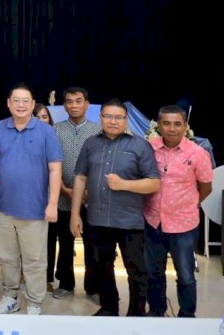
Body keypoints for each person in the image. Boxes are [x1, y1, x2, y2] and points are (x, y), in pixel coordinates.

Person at [70, 99, 160, 317]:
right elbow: (80, 178)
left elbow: (154, 183)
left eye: (118, 117)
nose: (112, 121)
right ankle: (109, 308)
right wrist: (74, 214)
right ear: (100, 118)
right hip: (97, 219)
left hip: (130, 221)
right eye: (107, 116)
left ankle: (136, 312)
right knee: (102, 267)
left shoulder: (140, 145)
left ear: (125, 119)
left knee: (136, 270)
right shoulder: (91, 143)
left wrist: (125, 184)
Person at [0, 83, 62, 316]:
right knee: (7, 258)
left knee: (34, 260)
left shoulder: (46, 132)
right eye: (16, 100)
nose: (21, 105)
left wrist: (52, 203)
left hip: (35, 209)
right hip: (1, 208)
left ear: (32, 104)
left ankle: (34, 302)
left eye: (25, 101)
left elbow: (55, 170)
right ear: (8, 103)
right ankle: (10, 296)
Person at [143, 105, 212, 317]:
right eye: (167, 123)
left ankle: (187, 317)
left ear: (185, 126)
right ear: (159, 125)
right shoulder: (149, 149)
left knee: (185, 275)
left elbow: (206, 187)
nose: (172, 128)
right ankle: (156, 311)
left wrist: (189, 205)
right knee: (153, 273)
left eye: (177, 124)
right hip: (153, 222)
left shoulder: (198, 153)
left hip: (184, 226)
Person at [50, 87, 100, 302]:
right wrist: (64, 189)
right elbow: (51, 164)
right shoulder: (55, 130)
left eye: (78, 101)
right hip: (63, 195)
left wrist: (88, 192)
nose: (74, 105)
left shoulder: (98, 131)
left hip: (91, 198)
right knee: (65, 243)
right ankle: (66, 283)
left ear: (87, 104)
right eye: (69, 101)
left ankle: (92, 287)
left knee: (92, 244)